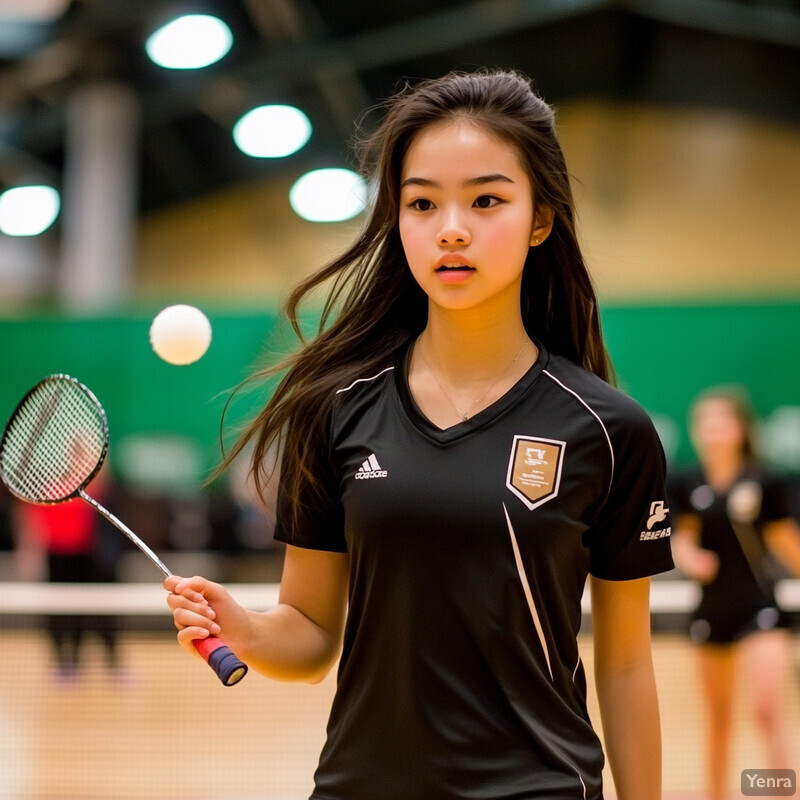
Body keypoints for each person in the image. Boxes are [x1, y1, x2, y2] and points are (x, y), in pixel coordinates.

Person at [165, 69, 674, 800]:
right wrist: (242, 626)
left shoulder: (606, 429)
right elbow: (310, 636)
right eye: (422, 203)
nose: (451, 228)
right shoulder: (335, 410)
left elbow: (626, 663)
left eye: (487, 199)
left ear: (540, 219)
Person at [669, 387, 800, 800]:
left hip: (760, 606)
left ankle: (782, 792)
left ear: (741, 429)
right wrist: (690, 559)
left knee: (765, 711)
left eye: (722, 422)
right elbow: (682, 540)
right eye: (705, 423)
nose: (713, 431)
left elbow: (784, 540)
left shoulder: (765, 480)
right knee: (719, 718)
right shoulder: (686, 482)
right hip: (712, 608)